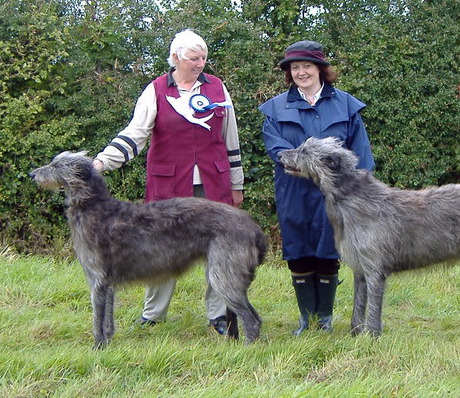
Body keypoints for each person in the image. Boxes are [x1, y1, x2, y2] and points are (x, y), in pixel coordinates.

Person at [92, 29, 244, 335]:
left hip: (214, 182)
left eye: (203, 57)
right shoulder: (156, 90)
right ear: (175, 58)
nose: (200, 63)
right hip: (169, 184)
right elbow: (136, 133)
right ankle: (153, 313)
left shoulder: (217, 88)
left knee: (220, 249)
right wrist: (101, 162)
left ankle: (218, 314)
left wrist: (236, 183)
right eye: (193, 58)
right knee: (159, 248)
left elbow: (231, 136)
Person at [260, 40, 375, 335]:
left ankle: (323, 318)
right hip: (293, 189)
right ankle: (305, 319)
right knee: (298, 251)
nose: (301, 72)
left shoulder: (347, 105)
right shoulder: (275, 108)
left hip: (336, 194)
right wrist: (306, 165)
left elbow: (360, 154)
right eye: (295, 67)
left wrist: (362, 191)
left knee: (328, 251)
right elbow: (277, 148)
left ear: (320, 69)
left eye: (306, 66)